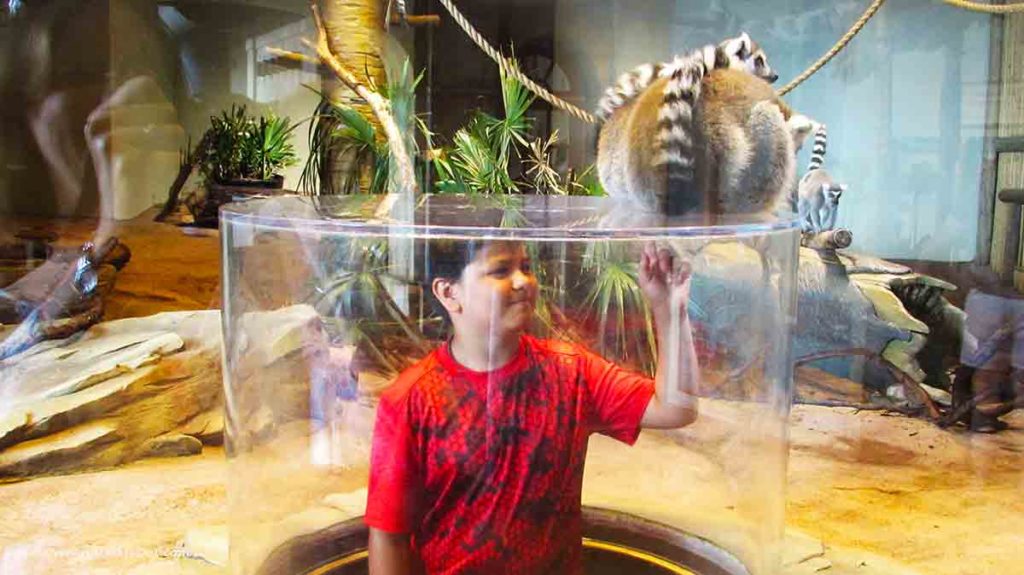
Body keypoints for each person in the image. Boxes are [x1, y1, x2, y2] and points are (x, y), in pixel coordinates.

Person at [364, 238, 700, 574]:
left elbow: (675, 409)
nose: (523, 280)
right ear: (449, 293)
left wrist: (670, 310)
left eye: (526, 267)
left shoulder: (571, 371)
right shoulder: (411, 400)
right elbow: (388, 535)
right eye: (500, 270)